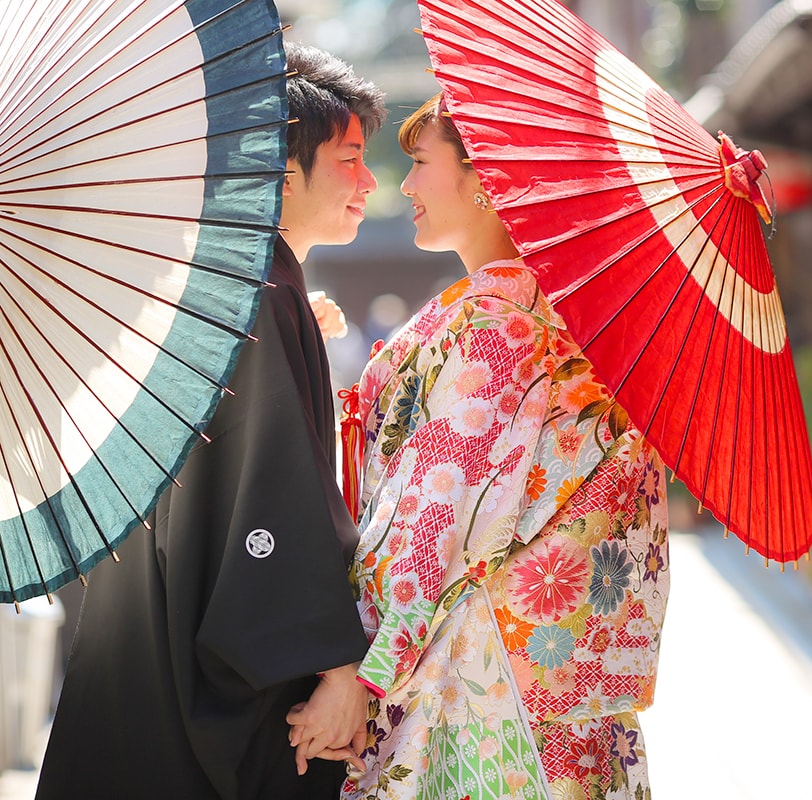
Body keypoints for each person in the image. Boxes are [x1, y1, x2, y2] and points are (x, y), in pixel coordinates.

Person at [288, 94, 671, 800]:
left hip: (481, 676)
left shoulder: (491, 328)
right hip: (559, 680)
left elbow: (428, 523)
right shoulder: (571, 317)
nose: (402, 186)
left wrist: (361, 674)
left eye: (420, 163)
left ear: (486, 181)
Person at [36, 42, 386, 800]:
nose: (369, 181)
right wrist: (335, 664)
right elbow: (273, 493)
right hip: (209, 654)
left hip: (149, 632)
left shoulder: (213, 276)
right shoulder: (264, 294)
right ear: (283, 171)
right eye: (350, 158)